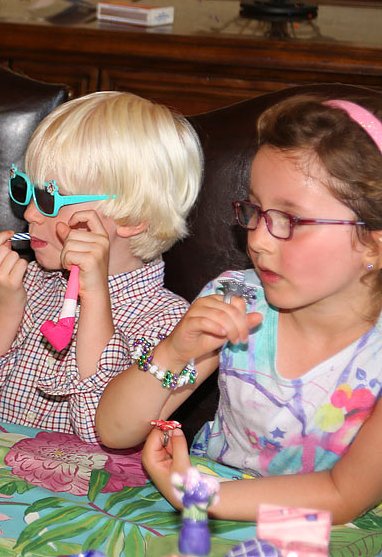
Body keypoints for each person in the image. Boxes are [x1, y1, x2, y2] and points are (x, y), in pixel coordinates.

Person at [96, 93, 382, 523]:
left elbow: (343, 493)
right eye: (255, 211)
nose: (258, 240)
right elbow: (115, 431)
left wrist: (198, 494)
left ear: (374, 240)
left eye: (290, 219)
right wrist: (173, 352)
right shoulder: (237, 300)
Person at [0, 91, 203, 442]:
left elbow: (101, 434)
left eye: (49, 197)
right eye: (27, 191)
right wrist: (4, 307)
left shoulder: (167, 324)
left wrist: (95, 301)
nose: (30, 214)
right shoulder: (30, 283)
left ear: (131, 217)